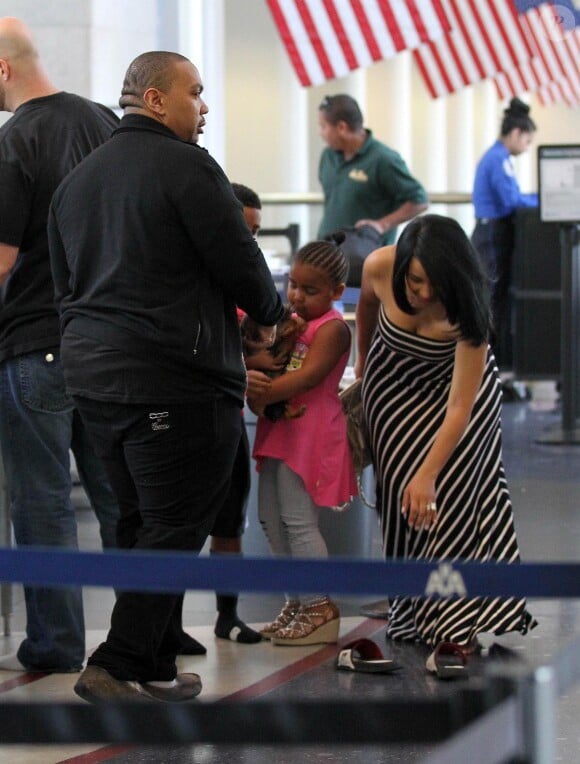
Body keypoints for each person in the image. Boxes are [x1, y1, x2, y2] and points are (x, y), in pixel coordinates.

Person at [48, 50, 283, 704]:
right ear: (155, 99)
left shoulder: (77, 181)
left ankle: (149, 663)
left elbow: (64, 286)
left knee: (134, 521)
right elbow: (239, 261)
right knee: (177, 521)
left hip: (95, 382)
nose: (204, 107)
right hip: (177, 381)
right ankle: (118, 660)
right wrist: (269, 314)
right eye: (196, 93)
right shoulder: (188, 167)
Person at [355, 214, 536, 675]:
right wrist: (361, 369)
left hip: (456, 395)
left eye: (434, 284)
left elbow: (460, 407)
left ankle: (456, 622)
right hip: (392, 390)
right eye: (415, 282)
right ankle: (413, 611)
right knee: (402, 503)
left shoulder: (467, 306)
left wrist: (428, 472)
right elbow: (367, 311)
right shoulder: (379, 264)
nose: (423, 294)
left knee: (451, 497)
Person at [0, 16, 120, 674]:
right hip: (107, 347)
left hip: (34, 344)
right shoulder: (105, 124)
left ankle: (54, 645)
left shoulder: (15, 142)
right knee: (118, 498)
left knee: (42, 501)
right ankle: (143, 638)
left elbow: (0, 261)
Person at [248, 236, 357, 646]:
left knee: (298, 521)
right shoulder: (292, 322)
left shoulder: (332, 329)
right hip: (281, 428)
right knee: (270, 519)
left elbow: (308, 377)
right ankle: (297, 600)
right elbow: (273, 360)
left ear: (336, 293)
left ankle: (318, 604)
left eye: (309, 290)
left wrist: (258, 393)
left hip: (309, 432)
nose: (296, 295)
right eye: (293, 285)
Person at [203, 182, 267, 647]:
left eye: (256, 233)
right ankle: (163, 627)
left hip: (228, 412)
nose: (250, 242)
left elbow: (259, 344)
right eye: (243, 232)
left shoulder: (248, 281)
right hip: (190, 410)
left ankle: (228, 615)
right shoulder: (194, 275)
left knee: (230, 518)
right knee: (177, 526)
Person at [471, 97, 538, 374]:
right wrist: (541, 202)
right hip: (492, 237)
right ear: (516, 133)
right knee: (493, 300)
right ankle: (492, 364)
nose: (526, 147)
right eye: (527, 141)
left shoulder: (499, 158)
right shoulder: (498, 160)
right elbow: (511, 200)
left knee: (497, 299)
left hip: (493, 233)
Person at [317, 94, 428, 245]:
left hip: (365, 255)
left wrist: (382, 224)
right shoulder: (328, 156)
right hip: (329, 250)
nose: (320, 133)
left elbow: (419, 200)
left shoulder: (383, 159)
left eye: (323, 126)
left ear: (342, 127)